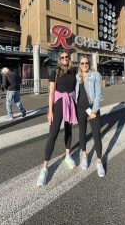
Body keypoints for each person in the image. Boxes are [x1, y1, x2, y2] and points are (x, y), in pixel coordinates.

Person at [37, 50, 77, 187]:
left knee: (68, 130)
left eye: (67, 57)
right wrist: (50, 110)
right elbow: (52, 92)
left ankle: (67, 155)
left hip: (71, 102)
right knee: (52, 134)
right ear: (59, 59)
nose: (65, 58)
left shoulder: (74, 71)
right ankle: (44, 168)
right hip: (59, 104)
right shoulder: (55, 72)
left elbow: (79, 86)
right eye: (62, 57)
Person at [75, 55, 105, 177]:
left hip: (92, 108)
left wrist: (94, 110)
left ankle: (99, 161)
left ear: (89, 64)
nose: (84, 65)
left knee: (96, 135)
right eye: (82, 63)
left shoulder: (95, 75)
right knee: (82, 133)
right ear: (79, 65)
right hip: (80, 108)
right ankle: (84, 155)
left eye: (86, 63)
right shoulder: (77, 76)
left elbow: (98, 94)